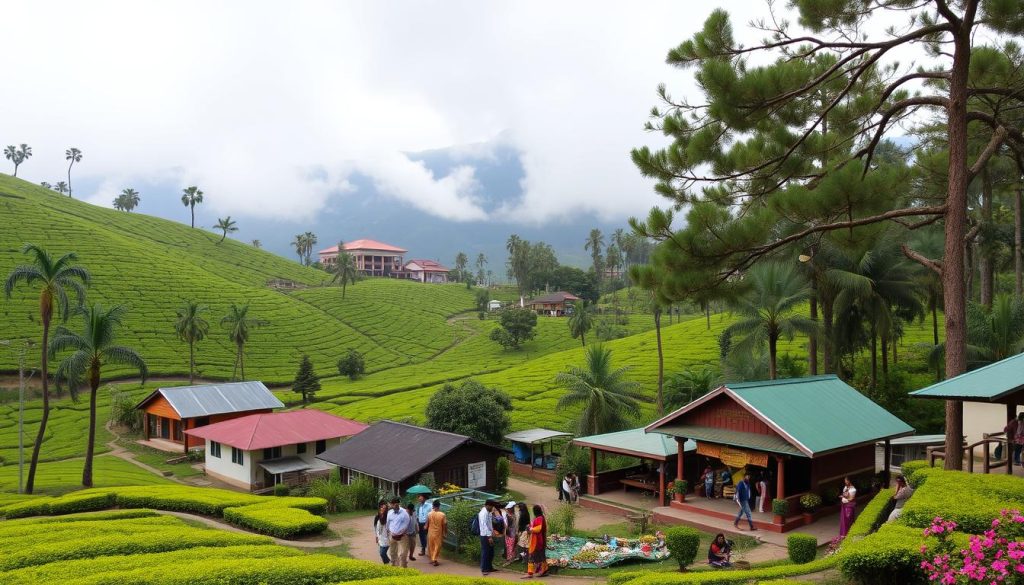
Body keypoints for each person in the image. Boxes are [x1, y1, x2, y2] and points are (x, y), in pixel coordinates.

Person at [524, 504, 548, 578]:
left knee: (531, 555)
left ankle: (530, 573)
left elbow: (539, 528)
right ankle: (544, 570)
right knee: (541, 556)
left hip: (537, 541)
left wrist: (530, 529)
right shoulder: (541, 518)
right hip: (541, 540)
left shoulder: (539, 518)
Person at [386, 497, 410, 568]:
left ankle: (403, 567)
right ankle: (394, 566)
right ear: (391, 505)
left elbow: (406, 525)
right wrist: (389, 531)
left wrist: (400, 533)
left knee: (403, 553)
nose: (394, 506)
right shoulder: (389, 513)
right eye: (393, 504)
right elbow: (388, 523)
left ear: (399, 504)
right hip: (392, 536)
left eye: (396, 504)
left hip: (402, 536)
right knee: (392, 552)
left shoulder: (405, 513)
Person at [477, 499, 497, 575]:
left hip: (489, 534)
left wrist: (492, 532)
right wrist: (489, 537)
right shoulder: (483, 513)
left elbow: (489, 524)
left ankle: (489, 567)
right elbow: (484, 526)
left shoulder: (488, 512)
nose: (492, 508)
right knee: (486, 552)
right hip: (485, 536)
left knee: (491, 552)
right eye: (492, 506)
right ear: (488, 505)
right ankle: (484, 569)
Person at [425, 499, 447, 566]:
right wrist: (445, 533)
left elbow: (426, 525)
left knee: (431, 546)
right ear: (439, 506)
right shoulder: (442, 515)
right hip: (438, 533)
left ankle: (432, 559)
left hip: (430, 533)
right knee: (437, 546)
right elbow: (445, 524)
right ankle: (434, 559)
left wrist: (425, 528)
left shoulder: (429, 514)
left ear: (433, 506)